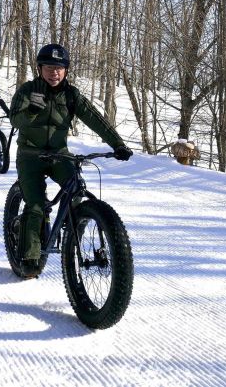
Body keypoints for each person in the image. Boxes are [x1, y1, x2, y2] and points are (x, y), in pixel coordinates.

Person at [9, 43, 133, 278]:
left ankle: (75, 223)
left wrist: (117, 144)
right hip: (30, 155)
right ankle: (30, 256)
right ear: (39, 68)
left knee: (76, 188)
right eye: (48, 67)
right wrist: (32, 111)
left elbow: (95, 119)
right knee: (36, 206)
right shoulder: (28, 90)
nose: (53, 72)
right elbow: (16, 121)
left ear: (65, 70)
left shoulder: (71, 94)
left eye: (58, 68)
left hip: (58, 153)